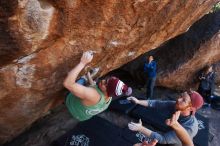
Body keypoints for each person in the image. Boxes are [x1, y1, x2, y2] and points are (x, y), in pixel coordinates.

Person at [63, 51, 132, 121]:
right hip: (82, 116)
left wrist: (82, 63)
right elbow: (94, 85)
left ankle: (83, 78)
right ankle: (86, 78)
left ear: (108, 91)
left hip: (72, 106)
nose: (103, 81)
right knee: (93, 84)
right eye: (106, 80)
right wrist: (89, 76)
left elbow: (68, 84)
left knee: (75, 80)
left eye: (105, 84)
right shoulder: (109, 97)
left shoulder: (93, 95)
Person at [127, 90, 203, 145]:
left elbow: (164, 140)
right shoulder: (175, 105)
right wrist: (138, 101)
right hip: (168, 133)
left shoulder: (190, 128)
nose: (178, 99)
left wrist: (141, 128)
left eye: (184, 100)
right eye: (181, 96)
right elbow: (156, 103)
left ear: (190, 109)